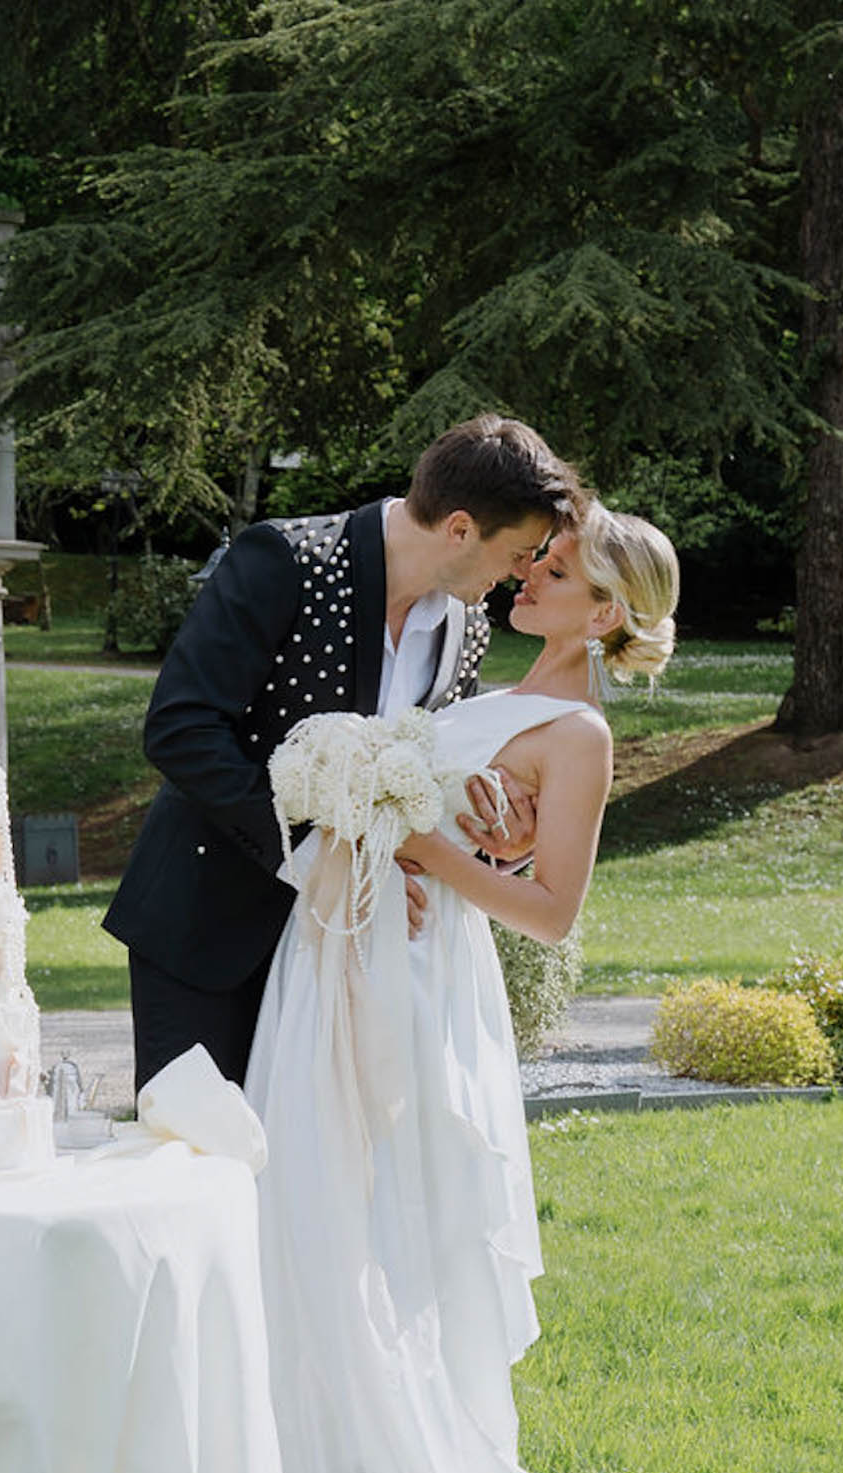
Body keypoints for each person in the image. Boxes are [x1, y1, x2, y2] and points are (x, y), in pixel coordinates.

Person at [243, 504, 681, 1473]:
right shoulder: (492, 696)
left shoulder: (577, 734)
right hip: (343, 949)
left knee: (385, 1200)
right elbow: (462, 814)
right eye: (533, 559)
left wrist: (422, 839)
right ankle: (296, 1470)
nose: (527, 575)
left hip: (423, 982)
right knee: (304, 1185)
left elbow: (549, 911)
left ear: (601, 613)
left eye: (557, 568)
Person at [104, 416, 588, 1092]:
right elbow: (182, 727)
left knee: (317, 1187)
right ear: (458, 529)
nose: (520, 576)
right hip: (211, 932)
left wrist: (494, 837)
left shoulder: (465, 626)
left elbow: (423, 777)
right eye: (518, 554)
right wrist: (312, 859)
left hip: (358, 957)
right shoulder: (286, 559)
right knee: (205, 1165)